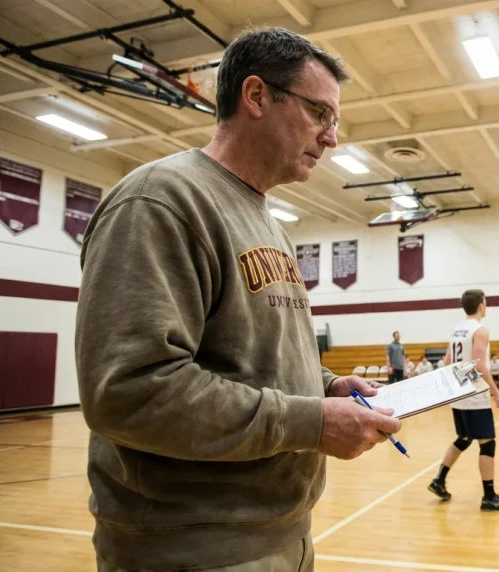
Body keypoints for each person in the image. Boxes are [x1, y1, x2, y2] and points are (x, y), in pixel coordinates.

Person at [74, 28, 403, 571]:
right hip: (194, 550)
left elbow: (248, 358)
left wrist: (328, 388)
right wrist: (312, 423)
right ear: (255, 96)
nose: (332, 137)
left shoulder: (268, 223)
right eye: (320, 113)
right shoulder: (159, 201)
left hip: (281, 535)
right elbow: (129, 391)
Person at [428, 290, 499, 511]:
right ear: (481, 305)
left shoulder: (457, 328)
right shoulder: (480, 329)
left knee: (464, 438)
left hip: (458, 393)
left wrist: (454, 386)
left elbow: (447, 360)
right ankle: (489, 496)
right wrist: (496, 392)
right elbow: (478, 364)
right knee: (487, 442)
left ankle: (439, 480)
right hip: (474, 395)